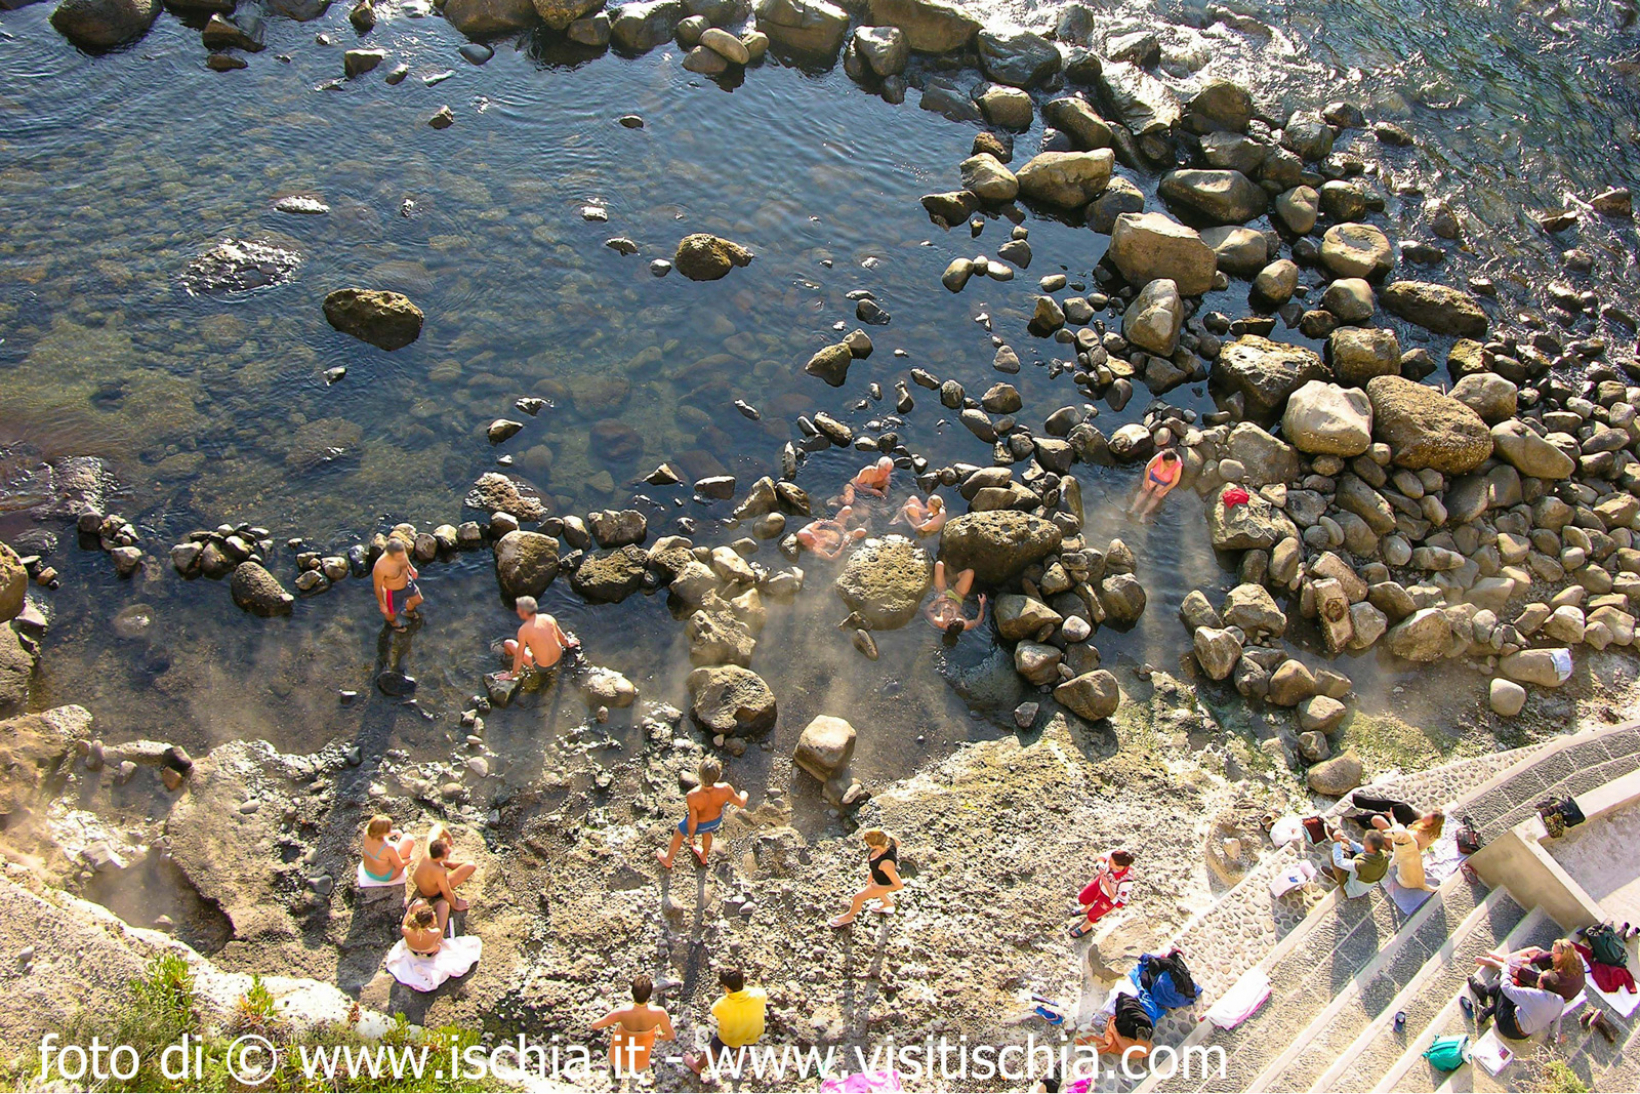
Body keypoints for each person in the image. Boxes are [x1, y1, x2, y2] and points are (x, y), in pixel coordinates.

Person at [657, 758, 747, 870]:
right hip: (715, 822)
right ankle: (704, 856)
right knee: (707, 833)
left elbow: (693, 820)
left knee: (678, 834)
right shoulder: (726, 788)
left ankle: (668, 860)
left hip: (700, 823)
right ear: (718, 776)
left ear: (699, 775)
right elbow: (741, 803)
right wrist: (744, 794)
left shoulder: (692, 795)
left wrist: (691, 836)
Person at [684, 967, 767, 1078]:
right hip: (754, 1033)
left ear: (727, 988)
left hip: (731, 1038)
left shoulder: (720, 1005)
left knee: (714, 1048)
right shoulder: (759, 994)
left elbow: (716, 1013)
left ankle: (698, 1066)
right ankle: (739, 1059)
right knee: (745, 1040)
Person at [590, 975, 674, 1081]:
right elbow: (670, 1035)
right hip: (642, 1050)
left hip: (622, 1047)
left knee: (617, 1061)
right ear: (649, 996)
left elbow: (595, 1025)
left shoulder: (622, 1012)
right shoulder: (660, 1013)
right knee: (638, 1066)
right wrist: (658, 1035)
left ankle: (617, 1073)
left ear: (632, 993)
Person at [830, 828, 903, 928]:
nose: (867, 845)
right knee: (869, 888)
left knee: (857, 897)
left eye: (868, 843)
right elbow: (898, 843)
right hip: (877, 874)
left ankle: (849, 917)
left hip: (882, 883)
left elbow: (899, 886)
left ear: (875, 845)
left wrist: (877, 887)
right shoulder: (889, 841)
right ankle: (887, 904)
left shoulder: (886, 864)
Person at [1468, 970, 1567, 1041]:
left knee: (1501, 988)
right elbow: (1556, 1021)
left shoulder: (1534, 995)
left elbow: (1506, 988)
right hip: (1523, 1034)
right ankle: (1485, 1013)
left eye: (1539, 978)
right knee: (1516, 997)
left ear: (1541, 985)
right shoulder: (1560, 1001)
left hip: (1507, 1026)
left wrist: (1505, 971)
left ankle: (1483, 991)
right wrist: (1555, 1037)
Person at [412, 824, 477, 932]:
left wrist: (449, 836)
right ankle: (449, 864)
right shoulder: (439, 870)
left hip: (420, 880)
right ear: (439, 858)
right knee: (471, 865)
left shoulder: (429, 850)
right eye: (447, 852)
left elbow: (437, 827)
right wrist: (455, 904)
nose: (450, 850)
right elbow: (446, 891)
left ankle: (449, 863)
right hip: (430, 892)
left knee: (461, 865)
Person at [499, 596, 579, 682]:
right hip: (558, 658)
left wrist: (512, 674)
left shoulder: (524, 630)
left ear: (524, 612)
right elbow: (562, 637)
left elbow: (519, 656)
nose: (517, 611)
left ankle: (508, 662)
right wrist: (568, 643)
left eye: (519, 609)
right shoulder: (548, 618)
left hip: (542, 667)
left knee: (508, 643)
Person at [1070, 850, 1135, 938]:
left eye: (1110, 862)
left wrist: (1107, 885)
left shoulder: (1126, 881)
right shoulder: (1116, 856)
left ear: (1118, 866)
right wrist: (1100, 865)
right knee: (1084, 897)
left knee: (1094, 914)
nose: (1108, 861)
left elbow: (1119, 903)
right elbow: (1103, 857)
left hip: (1108, 898)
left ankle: (1086, 927)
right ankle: (1087, 908)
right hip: (1099, 884)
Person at [923, 561, 986, 640]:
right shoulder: (963, 624)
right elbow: (978, 621)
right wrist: (982, 604)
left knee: (939, 564)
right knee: (969, 572)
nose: (953, 616)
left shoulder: (939, 622)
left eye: (951, 619)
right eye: (957, 618)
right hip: (958, 596)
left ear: (948, 623)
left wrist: (938, 600)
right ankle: (953, 578)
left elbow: (926, 610)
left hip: (941, 592)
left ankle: (950, 579)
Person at [372, 537, 423, 631]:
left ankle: (408, 612)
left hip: (408, 583)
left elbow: (406, 560)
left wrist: (411, 568)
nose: (402, 557)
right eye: (399, 557)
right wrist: (382, 604)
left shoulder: (401, 553)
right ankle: (393, 623)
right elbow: (377, 587)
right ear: (390, 555)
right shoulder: (380, 567)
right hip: (393, 593)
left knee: (418, 601)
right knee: (391, 613)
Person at [1329, 828, 1390, 898]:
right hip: (1361, 883)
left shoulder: (1362, 865)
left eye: (1365, 840)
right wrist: (1349, 841)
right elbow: (1363, 850)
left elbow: (1338, 862)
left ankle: (1337, 877)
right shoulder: (1383, 854)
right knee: (1349, 848)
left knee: (1335, 856)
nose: (1363, 841)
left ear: (1370, 846)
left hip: (1350, 890)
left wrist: (1336, 841)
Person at [360, 814, 416, 885]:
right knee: (409, 839)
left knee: (384, 857)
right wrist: (410, 859)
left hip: (368, 871)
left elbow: (379, 833)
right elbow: (400, 865)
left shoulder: (366, 832)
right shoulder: (388, 847)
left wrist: (396, 832)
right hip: (385, 876)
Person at [1128, 450, 1182, 521]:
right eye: (1168, 464)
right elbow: (1148, 468)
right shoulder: (1159, 457)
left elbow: (1175, 482)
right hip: (1154, 476)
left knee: (1156, 496)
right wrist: (1146, 481)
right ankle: (1133, 508)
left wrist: (1163, 490)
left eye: (1172, 463)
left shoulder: (1178, 465)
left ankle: (1144, 513)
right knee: (1144, 490)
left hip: (1165, 482)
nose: (1170, 466)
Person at [795, 506, 868, 560]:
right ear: (805, 543)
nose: (814, 536)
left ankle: (856, 522)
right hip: (842, 540)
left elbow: (820, 521)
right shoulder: (816, 549)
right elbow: (831, 557)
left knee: (847, 509)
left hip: (834, 529)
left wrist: (836, 524)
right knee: (862, 531)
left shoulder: (809, 529)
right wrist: (843, 544)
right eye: (810, 538)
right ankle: (860, 529)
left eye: (811, 535)